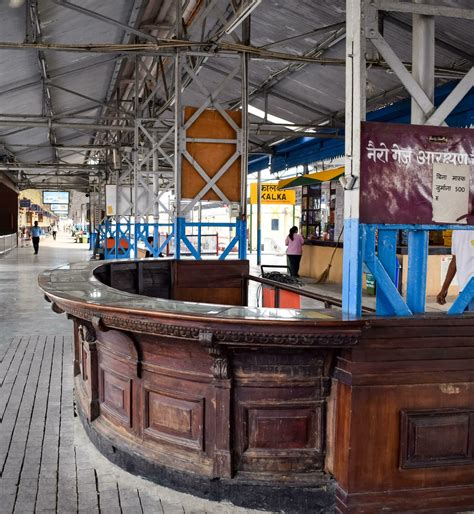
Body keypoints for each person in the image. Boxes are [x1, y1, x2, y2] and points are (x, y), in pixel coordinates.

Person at [437, 229, 474, 311]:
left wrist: (444, 289)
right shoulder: (456, 231)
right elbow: (454, 261)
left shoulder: (456, 230)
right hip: (465, 289)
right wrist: (444, 289)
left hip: (464, 288)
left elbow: (454, 262)